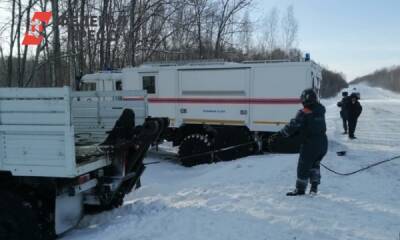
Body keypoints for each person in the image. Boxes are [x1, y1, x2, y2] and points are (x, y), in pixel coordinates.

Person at [268, 89, 328, 196]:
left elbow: (292, 127)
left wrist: (279, 135)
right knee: (315, 164)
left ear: (305, 99)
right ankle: (314, 187)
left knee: (303, 166)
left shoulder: (303, 112)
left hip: (311, 144)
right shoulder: (321, 109)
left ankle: (300, 190)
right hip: (323, 143)